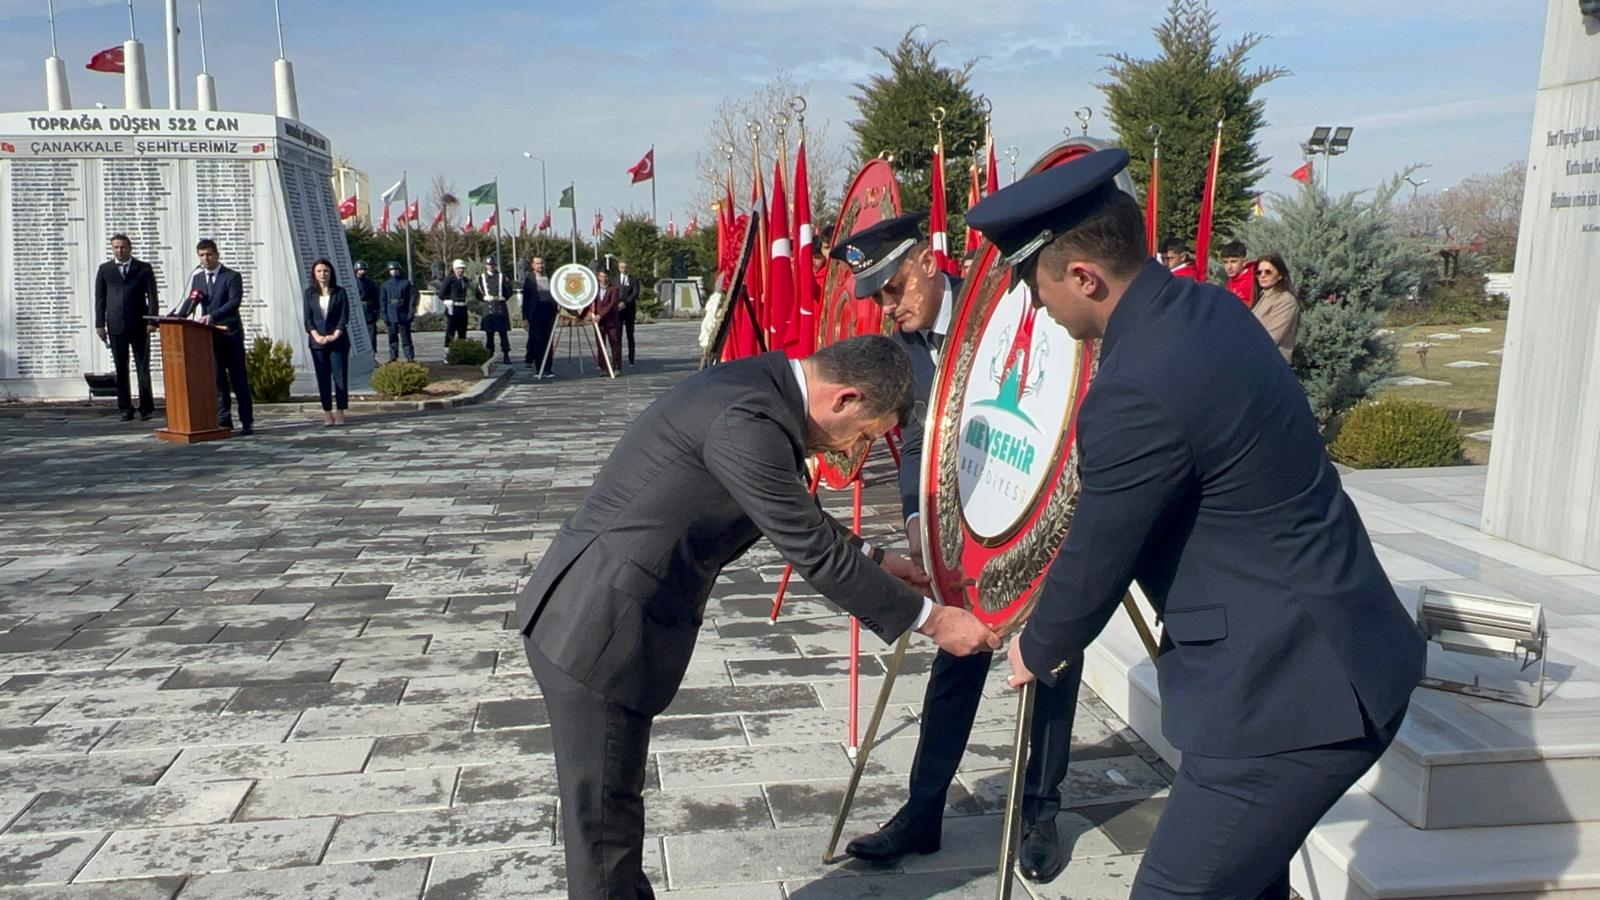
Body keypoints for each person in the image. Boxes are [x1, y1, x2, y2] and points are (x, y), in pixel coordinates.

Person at [963, 149, 1423, 900]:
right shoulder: (1203, 309)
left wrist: (1037, 644)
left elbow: (1102, 544)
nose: (1034, 306)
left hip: (1290, 697)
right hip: (1328, 652)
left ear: (1082, 276)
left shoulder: (1139, 383)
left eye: (1032, 284)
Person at [515, 335, 1001, 899]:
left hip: (607, 614)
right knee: (603, 834)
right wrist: (936, 621)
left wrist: (880, 560)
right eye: (864, 435)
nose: (855, 450)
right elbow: (813, 551)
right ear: (844, 398)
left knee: (611, 819)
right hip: (597, 628)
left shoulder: (760, 388)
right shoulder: (745, 418)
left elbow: (791, 508)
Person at [831, 213, 1081, 882]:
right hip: (966, 525)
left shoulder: (1009, 300)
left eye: (895, 289)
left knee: (1052, 657)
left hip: (1045, 508)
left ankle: (1041, 809)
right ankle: (923, 812)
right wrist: (918, 523)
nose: (890, 307)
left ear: (927, 263)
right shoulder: (904, 346)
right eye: (879, 297)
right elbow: (917, 439)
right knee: (956, 649)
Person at [178, 238, 253, 435]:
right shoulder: (198, 278)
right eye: (202, 256)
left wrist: (212, 316)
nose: (206, 259)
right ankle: (224, 420)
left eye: (209, 254)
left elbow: (234, 302)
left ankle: (247, 421)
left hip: (230, 334)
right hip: (210, 337)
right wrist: (177, 317)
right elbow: (193, 300)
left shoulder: (232, 276)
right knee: (218, 380)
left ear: (217, 255)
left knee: (238, 380)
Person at [93, 234, 160, 421]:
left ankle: (146, 407)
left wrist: (152, 321)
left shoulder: (143, 268)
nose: (119, 251)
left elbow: (153, 296)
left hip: (140, 325)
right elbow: (100, 299)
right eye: (115, 247)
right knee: (121, 368)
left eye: (123, 247)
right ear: (112, 249)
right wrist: (100, 324)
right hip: (116, 325)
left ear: (130, 248)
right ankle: (125, 407)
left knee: (142, 367)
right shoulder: (105, 269)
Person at [303, 258, 351, 427]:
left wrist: (335, 334)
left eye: (326, 271)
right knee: (323, 378)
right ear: (314, 274)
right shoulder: (309, 293)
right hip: (318, 342)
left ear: (331, 273)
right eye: (319, 271)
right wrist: (316, 336)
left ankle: (340, 411)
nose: (323, 274)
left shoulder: (340, 292)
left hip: (338, 341)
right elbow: (308, 319)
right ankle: (327, 412)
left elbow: (344, 316)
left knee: (339, 377)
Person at [1253, 252, 1302, 363]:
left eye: (1268, 272)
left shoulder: (1285, 300)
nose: (1262, 275)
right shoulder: (1263, 296)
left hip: (1272, 363)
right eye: (1259, 272)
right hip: (1256, 360)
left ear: (1280, 275)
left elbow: (1272, 338)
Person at [522, 256, 558, 375]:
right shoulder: (529, 280)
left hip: (549, 313)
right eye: (537, 264)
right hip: (535, 313)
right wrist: (525, 318)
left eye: (541, 263)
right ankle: (539, 367)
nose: (540, 266)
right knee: (537, 340)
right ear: (533, 265)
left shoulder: (551, 278)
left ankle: (548, 368)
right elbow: (525, 301)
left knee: (548, 341)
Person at [476, 255, 514, 363]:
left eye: (492, 265)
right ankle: (490, 354)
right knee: (489, 334)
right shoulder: (482, 277)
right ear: (486, 266)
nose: (491, 267)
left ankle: (506, 354)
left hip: (500, 306)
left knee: (503, 333)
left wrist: (501, 298)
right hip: (488, 306)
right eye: (489, 265)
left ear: (495, 265)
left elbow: (509, 290)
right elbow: (478, 293)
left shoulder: (502, 276)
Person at [379, 262, 415, 362]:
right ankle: (393, 357)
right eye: (391, 270)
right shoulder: (385, 285)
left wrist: (411, 313)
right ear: (389, 271)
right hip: (391, 314)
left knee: (406, 337)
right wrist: (384, 314)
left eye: (395, 269)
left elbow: (411, 299)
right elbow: (383, 301)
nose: (394, 271)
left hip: (403, 313)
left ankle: (409, 357)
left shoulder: (406, 283)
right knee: (392, 337)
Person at [591, 269, 622, 373]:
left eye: (606, 277)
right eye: (602, 277)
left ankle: (617, 367)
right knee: (600, 345)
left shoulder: (614, 289)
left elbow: (612, 304)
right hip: (599, 323)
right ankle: (603, 367)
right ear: (598, 277)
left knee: (615, 343)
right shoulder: (594, 290)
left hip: (611, 321)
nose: (604, 279)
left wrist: (601, 315)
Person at [438, 259, 471, 353]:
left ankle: (461, 352)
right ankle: (447, 353)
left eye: (462, 268)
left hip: (462, 308)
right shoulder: (450, 279)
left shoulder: (465, 280)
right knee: (450, 332)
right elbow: (441, 294)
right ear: (454, 269)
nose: (461, 270)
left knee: (462, 332)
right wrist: (447, 300)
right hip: (452, 308)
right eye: (459, 268)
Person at [353, 260, 382, 354]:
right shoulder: (352, 281)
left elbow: (375, 296)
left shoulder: (369, 282)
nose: (362, 271)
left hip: (369, 310)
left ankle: (372, 354)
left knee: (371, 334)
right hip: (357, 309)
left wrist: (377, 310)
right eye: (360, 269)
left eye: (364, 269)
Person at [616, 260, 641, 365]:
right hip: (617, 311)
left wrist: (625, 303)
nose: (624, 269)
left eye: (625, 267)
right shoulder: (614, 279)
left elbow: (635, 294)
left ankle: (631, 358)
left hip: (629, 310)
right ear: (619, 268)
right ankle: (618, 358)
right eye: (621, 267)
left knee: (630, 335)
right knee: (618, 335)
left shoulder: (634, 280)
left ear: (628, 268)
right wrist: (617, 304)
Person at [1219, 241, 1257, 308]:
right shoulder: (1232, 279)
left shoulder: (1251, 281)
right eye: (1225, 262)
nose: (1229, 267)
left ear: (1244, 262)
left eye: (1233, 261)